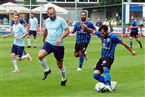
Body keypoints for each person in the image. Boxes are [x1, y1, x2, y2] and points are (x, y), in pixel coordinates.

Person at [81, 25, 136, 92]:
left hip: (109, 57)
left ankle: (107, 86)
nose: (101, 35)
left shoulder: (113, 37)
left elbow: (123, 43)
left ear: (107, 31)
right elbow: (92, 31)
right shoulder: (101, 34)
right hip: (102, 57)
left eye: (103, 33)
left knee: (105, 69)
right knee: (96, 75)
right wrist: (86, 28)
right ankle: (111, 83)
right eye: (100, 33)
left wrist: (132, 51)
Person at [38, 7, 70, 86]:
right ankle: (47, 70)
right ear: (47, 14)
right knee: (40, 56)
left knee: (60, 65)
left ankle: (64, 79)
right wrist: (43, 39)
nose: (52, 15)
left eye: (53, 13)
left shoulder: (61, 20)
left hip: (59, 46)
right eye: (50, 14)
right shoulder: (46, 21)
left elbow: (67, 30)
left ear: (55, 12)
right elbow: (46, 30)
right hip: (49, 43)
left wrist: (60, 38)